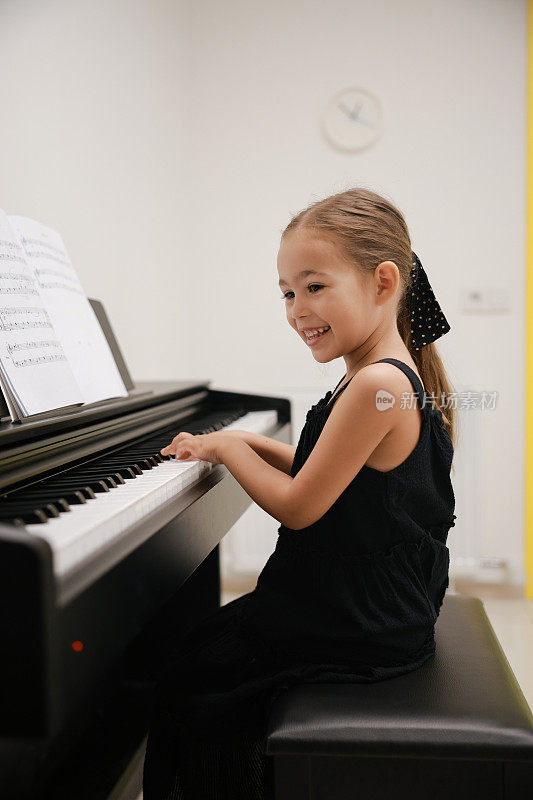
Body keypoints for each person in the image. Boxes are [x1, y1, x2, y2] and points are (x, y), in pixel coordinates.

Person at [142, 186, 457, 799]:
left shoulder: (373, 385)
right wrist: (249, 444)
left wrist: (231, 448)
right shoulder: (392, 372)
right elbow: (338, 476)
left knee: (189, 673)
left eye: (315, 287)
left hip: (356, 621)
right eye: (288, 292)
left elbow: (301, 506)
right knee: (201, 650)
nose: (296, 310)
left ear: (384, 282)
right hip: (381, 606)